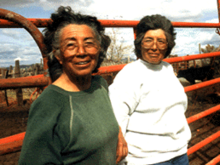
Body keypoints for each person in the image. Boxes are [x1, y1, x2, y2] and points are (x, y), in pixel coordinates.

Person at [18, 6, 127, 165]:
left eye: (89, 43)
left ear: (98, 49)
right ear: (58, 55)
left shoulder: (99, 85)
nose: (81, 51)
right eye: (70, 45)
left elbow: (101, 119)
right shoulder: (48, 105)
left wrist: (118, 133)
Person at [109, 14, 191, 165]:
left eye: (161, 41)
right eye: (148, 40)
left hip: (179, 152)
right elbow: (117, 117)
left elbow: (179, 109)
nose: (154, 46)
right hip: (147, 159)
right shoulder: (130, 74)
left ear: (168, 45)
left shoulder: (167, 68)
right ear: (140, 43)